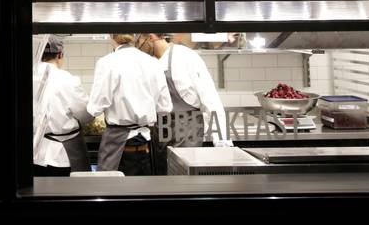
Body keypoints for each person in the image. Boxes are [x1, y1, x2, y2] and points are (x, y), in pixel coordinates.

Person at [136, 33, 232, 176]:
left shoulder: (185, 56)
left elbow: (209, 98)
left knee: (185, 177)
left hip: (187, 126)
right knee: (163, 178)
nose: (139, 48)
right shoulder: (149, 62)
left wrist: (221, 141)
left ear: (151, 37)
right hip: (161, 129)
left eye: (139, 43)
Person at [87, 33, 172, 175]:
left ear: (111, 36)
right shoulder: (153, 62)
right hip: (145, 145)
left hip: (117, 147)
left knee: (112, 193)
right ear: (135, 37)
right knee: (143, 194)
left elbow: (95, 108)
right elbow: (165, 107)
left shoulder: (106, 62)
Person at [32, 35, 92, 177]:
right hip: (65, 154)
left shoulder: (26, 77)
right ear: (60, 55)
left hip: (36, 153)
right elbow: (85, 113)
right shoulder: (67, 79)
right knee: (70, 193)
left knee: (39, 195)